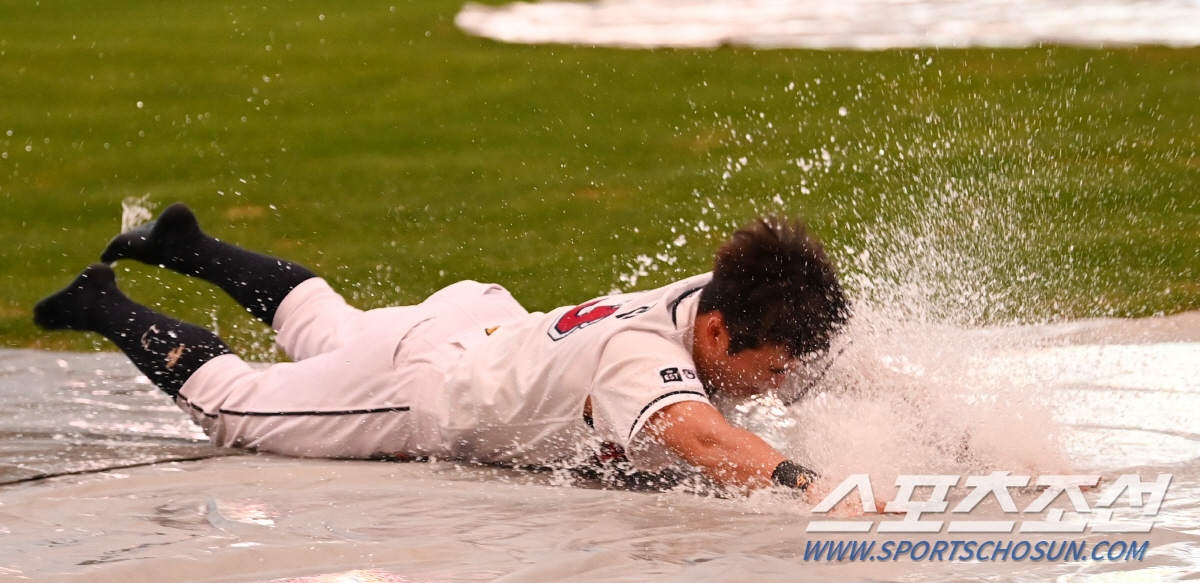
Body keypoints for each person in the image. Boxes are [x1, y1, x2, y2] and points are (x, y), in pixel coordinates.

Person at [33, 204, 848, 493]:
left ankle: (189, 243)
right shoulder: (643, 357)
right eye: (772, 368)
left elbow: (798, 350)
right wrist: (815, 487)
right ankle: (104, 300)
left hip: (472, 323)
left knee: (332, 328)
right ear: (716, 333)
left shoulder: (721, 290)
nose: (778, 386)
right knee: (234, 406)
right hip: (424, 385)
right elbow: (705, 439)